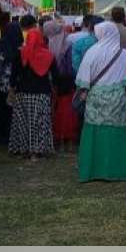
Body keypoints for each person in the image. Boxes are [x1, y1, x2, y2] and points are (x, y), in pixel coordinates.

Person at [76, 21, 126, 182]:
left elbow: (83, 79)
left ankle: (92, 170)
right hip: (117, 99)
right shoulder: (124, 54)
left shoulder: (92, 52)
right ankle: (117, 170)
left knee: (94, 132)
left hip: (95, 98)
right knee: (116, 132)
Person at [9, 16, 56, 159]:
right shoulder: (49, 55)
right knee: (40, 123)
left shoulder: (21, 53)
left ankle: (23, 148)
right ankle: (39, 149)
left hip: (23, 93)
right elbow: (55, 75)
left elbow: (13, 74)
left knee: (23, 122)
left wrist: (11, 89)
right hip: (42, 94)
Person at [0, 20, 23, 144]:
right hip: (13, 84)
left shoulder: (2, 44)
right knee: (10, 111)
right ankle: (9, 135)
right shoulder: (20, 46)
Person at [44, 19, 79, 152]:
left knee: (57, 109)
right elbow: (71, 67)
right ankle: (67, 140)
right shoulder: (67, 43)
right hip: (66, 82)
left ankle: (57, 138)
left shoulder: (47, 43)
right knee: (66, 110)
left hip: (53, 81)